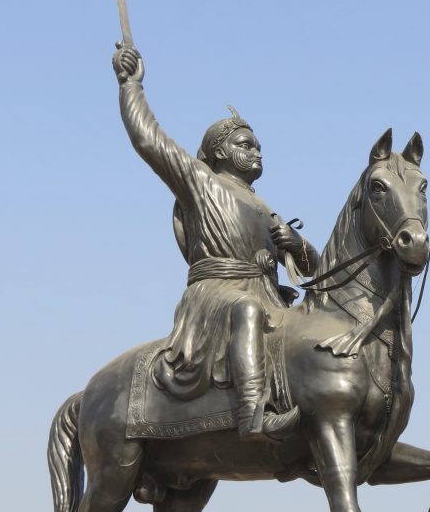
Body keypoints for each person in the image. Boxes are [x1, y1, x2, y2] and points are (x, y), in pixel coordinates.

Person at [112, 43, 318, 436]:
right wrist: (130, 86)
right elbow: (149, 140)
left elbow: (315, 273)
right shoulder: (200, 182)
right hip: (218, 293)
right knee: (247, 311)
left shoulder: (264, 206)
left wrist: (296, 244)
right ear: (219, 151)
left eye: (258, 147)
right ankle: (252, 415)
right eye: (245, 145)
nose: (256, 152)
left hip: (269, 296)